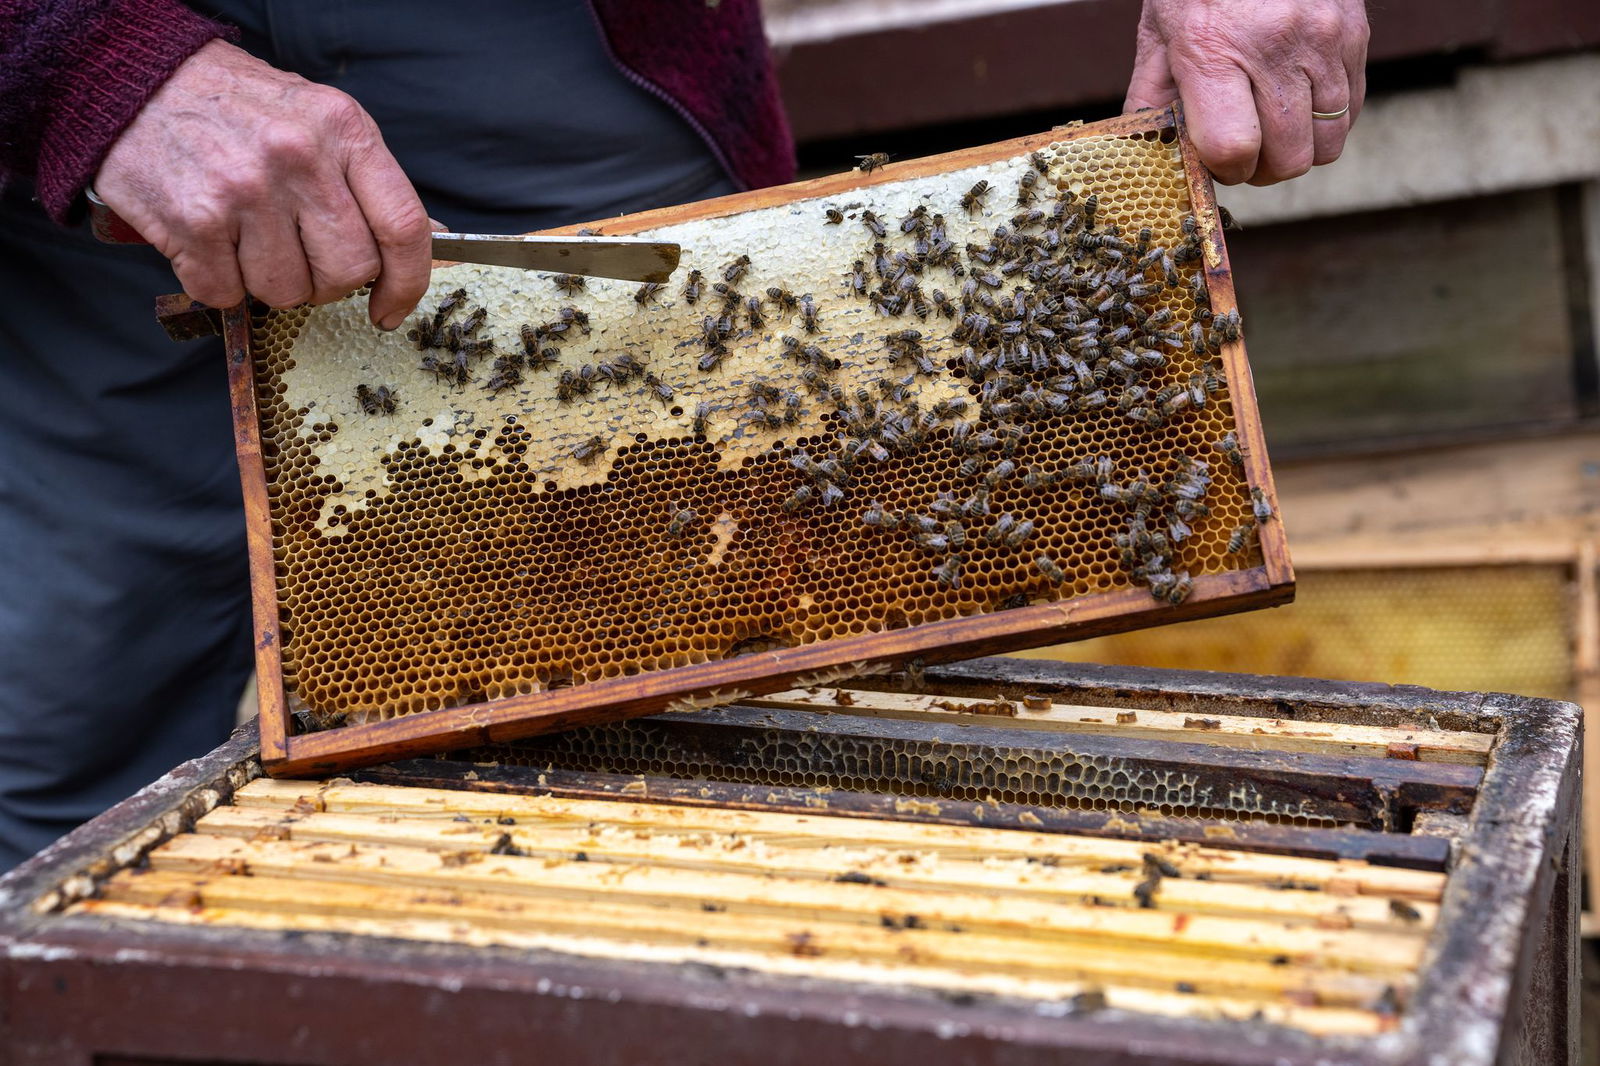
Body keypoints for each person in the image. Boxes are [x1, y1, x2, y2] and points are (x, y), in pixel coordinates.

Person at [0, 0, 1368, 872]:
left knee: (740, 634)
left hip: (544, 35)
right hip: (75, 89)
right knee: (61, 742)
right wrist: (81, 57)